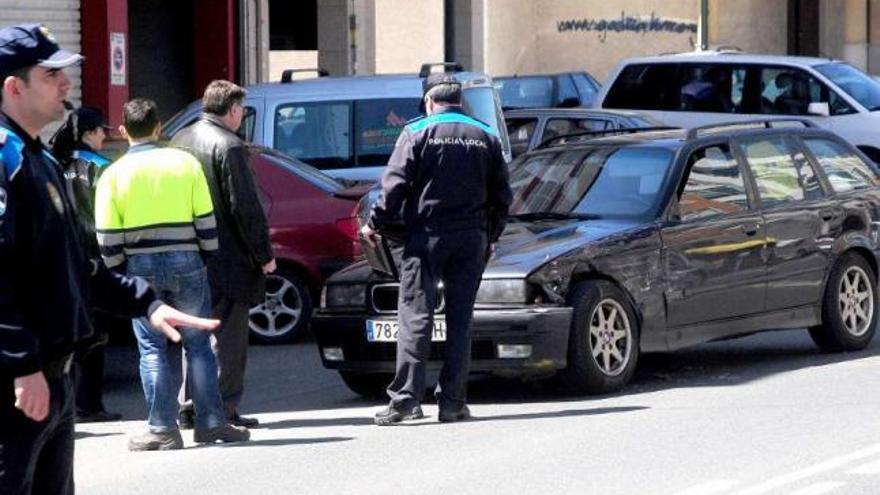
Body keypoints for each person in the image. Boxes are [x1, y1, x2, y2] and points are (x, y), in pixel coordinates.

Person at [0, 23, 219, 494]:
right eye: (50, 74)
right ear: (13, 87)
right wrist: (20, 364)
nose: (67, 84)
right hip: (19, 386)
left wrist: (148, 303)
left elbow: (77, 267)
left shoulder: (38, 159)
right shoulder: (6, 160)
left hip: (54, 379)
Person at [95, 98, 250, 450]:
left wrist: (119, 273)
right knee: (199, 346)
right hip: (187, 259)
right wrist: (206, 256)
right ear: (158, 127)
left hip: (139, 265)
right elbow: (205, 218)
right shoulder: (184, 163)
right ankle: (211, 422)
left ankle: (162, 428)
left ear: (123, 131)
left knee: (151, 350)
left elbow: (106, 235)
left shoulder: (112, 173)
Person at [361, 73, 512, 425]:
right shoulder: (485, 136)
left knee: (415, 316)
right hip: (471, 238)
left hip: (427, 236)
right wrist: (490, 236)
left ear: (430, 102)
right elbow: (503, 197)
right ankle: (453, 402)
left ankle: (406, 401)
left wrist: (374, 224)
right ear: (459, 101)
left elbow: (394, 186)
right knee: (460, 320)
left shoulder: (417, 132)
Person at [171, 80, 274, 428]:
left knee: (195, 333)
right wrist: (263, 254)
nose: (242, 115)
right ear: (231, 110)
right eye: (241, 109)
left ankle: (190, 405)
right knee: (229, 338)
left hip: (188, 253)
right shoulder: (229, 146)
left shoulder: (180, 140)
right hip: (228, 256)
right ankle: (224, 407)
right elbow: (244, 207)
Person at [51, 105, 123, 423]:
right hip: (94, 259)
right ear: (89, 133)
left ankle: (67, 404)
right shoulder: (101, 168)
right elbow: (109, 215)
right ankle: (89, 405)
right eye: (101, 132)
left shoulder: (54, 162)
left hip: (60, 260)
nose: (104, 138)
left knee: (68, 335)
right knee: (94, 335)